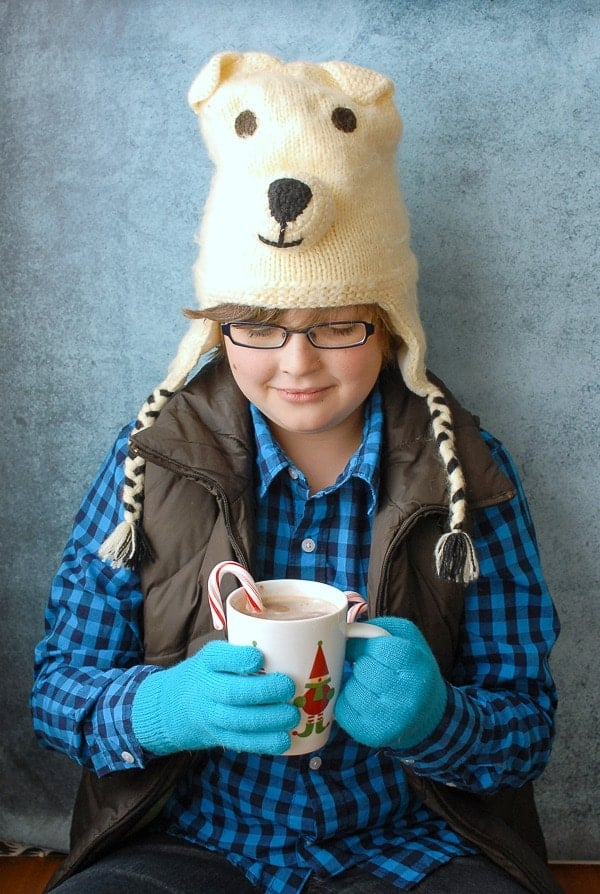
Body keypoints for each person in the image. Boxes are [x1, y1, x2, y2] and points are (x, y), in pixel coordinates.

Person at [31, 51, 563, 894]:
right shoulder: (150, 462)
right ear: (218, 332)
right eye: (259, 325)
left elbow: (526, 726)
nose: (297, 362)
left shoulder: (471, 474)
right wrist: (166, 709)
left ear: (389, 328)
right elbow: (59, 691)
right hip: (192, 843)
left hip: (415, 848)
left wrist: (438, 720)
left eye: (338, 324)